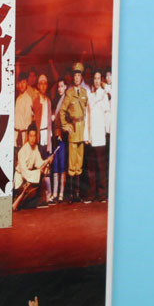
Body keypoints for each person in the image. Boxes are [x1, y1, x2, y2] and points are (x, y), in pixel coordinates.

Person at [59, 62, 89, 202]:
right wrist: (65, 125)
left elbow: (88, 111)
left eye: (79, 75)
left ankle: (77, 194)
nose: (77, 78)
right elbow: (62, 111)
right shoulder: (69, 93)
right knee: (71, 163)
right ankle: (70, 195)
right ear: (73, 77)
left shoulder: (84, 93)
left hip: (82, 130)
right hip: (73, 129)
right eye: (75, 75)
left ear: (81, 77)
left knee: (79, 163)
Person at [13, 125, 53, 208]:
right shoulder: (22, 151)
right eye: (31, 136)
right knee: (27, 204)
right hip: (20, 179)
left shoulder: (35, 148)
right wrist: (38, 172)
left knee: (32, 203)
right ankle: (19, 198)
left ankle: (28, 201)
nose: (33, 139)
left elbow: (39, 163)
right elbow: (24, 172)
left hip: (29, 178)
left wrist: (48, 161)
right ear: (28, 136)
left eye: (34, 136)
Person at [85, 71, 111, 202]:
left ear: (101, 80)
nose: (96, 81)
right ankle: (92, 193)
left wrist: (107, 131)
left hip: (101, 135)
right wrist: (86, 136)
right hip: (92, 136)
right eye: (95, 78)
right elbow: (87, 116)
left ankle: (102, 194)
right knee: (91, 167)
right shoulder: (90, 96)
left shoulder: (104, 95)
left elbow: (107, 114)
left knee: (101, 166)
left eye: (98, 78)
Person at [32, 74, 54, 154]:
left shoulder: (48, 101)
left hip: (47, 134)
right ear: (38, 86)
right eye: (41, 84)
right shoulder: (35, 101)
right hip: (39, 135)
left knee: (46, 156)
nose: (43, 86)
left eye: (45, 84)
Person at [14, 73, 33, 150]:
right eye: (20, 82)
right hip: (15, 134)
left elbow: (28, 122)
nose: (21, 85)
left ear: (27, 84)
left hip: (23, 136)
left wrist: (26, 140)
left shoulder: (28, 99)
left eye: (24, 82)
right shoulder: (18, 98)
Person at [50, 123, 68, 203]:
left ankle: (61, 193)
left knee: (62, 166)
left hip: (62, 141)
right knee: (55, 167)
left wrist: (61, 133)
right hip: (53, 141)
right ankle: (55, 194)